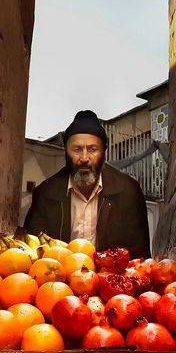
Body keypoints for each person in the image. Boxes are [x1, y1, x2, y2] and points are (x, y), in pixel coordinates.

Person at [22, 109, 151, 257]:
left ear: (104, 152)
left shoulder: (128, 191)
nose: (84, 158)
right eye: (77, 149)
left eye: (92, 149)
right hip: (58, 278)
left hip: (109, 277)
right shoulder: (45, 193)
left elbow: (141, 258)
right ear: (66, 151)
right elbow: (30, 252)